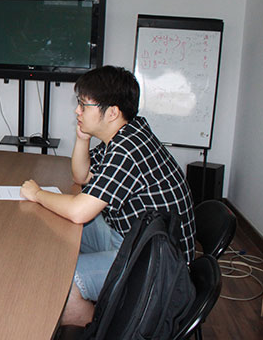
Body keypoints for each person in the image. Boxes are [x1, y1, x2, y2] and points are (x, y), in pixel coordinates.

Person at [20, 65, 195, 326]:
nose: (77, 111)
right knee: (56, 228)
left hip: (158, 265)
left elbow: (80, 210)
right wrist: (82, 138)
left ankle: (109, 328)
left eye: (84, 105)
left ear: (112, 112)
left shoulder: (129, 148)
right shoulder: (128, 132)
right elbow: (81, 176)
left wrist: (37, 193)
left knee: (60, 282)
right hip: (131, 238)